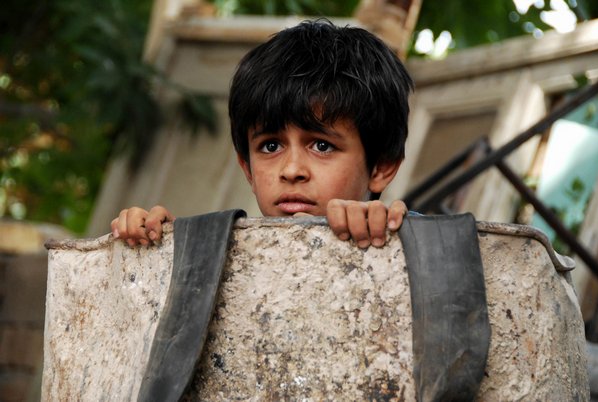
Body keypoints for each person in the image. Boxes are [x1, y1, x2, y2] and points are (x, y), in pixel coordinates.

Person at [111, 19, 414, 249]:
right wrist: (164, 244)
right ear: (248, 169)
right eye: (270, 146)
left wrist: (398, 233)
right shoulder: (220, 251)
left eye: (322, 145)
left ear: (381, 166)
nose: (291, 170)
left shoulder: (399, 251)